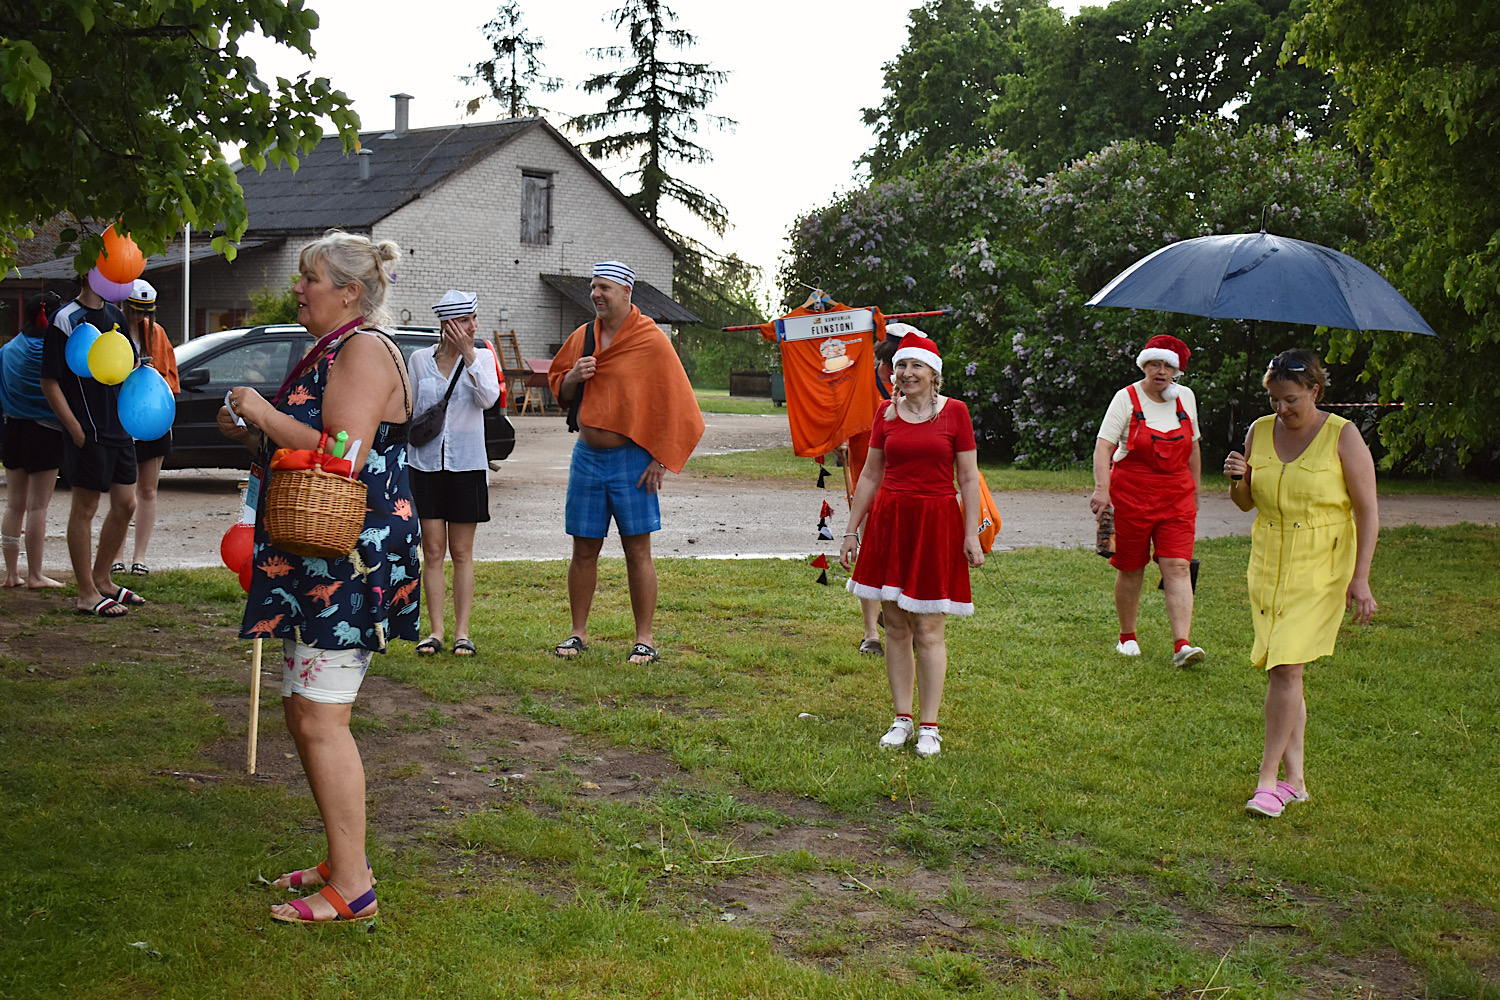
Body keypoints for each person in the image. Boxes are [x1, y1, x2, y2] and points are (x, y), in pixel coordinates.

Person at [217, 230, 418, 923]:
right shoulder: (335, 347)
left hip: (349, 560)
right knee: (302, 711)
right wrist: (254, 430)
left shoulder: (363, 350)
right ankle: (341, 857)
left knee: (322, 717)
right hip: (319, 554)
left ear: (350, 292)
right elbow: (311, 440)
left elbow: (342, 456)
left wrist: (264, 411)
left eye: (309, 279)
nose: (298, 289)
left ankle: (353, 887)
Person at [1223, 349, 1378, 818]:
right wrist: (1237, 479)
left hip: (1321, 564)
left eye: (1290, 399)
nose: (1281, 409)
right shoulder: (1258, 431)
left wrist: (1361, 577)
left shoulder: (1342, 436)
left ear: (1315, 390)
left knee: (1287, 666)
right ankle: (1297, 782)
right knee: (1282, 670)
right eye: (1274, 399)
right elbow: (1246, 503)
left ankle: (1267, 781)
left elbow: (1368, 512)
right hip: (1268, 562)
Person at [547, 261, 705, 664]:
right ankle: (578, 633)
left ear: (626, 292)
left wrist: (660, 458)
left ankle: (644, 639)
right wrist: (573, 377)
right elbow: (558, 388)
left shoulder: (651, 340)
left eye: (604, 288)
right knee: (584, 548)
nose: (596, 294)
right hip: (586, 456)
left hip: (632, 459)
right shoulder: (583, 336)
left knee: (637, 551)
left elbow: (677, 402)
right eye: (593, 287)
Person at [839, 330, 985, 758]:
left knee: (929, 628)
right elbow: (870, 475)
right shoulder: (885, 413)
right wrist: (850, 530)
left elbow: (968, 478)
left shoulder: (955, 413)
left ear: (933, 373)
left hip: (935, 524)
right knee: (897, 626)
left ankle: (929, 726)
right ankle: (901, 719)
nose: (906, 373)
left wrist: (971, 533)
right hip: (890, 524)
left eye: (916, 365)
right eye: (901, 365)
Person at [1088, 334, 1205, 667]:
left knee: (1178, 565)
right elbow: (1103, 447)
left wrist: (1196, 489)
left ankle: (1182, 645)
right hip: (1131, 497)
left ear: (1177, 371)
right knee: (1131, 567)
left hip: (1177, 497)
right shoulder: (1126, 398)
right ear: (1144, 365)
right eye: (1154, 364)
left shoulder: (1186, 397)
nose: (1161, 371)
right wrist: (1102, 489)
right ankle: (1127, 637)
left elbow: (1193, 447)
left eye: (1168, 366)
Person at [40, 275, 141, 616]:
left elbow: (126, 364)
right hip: (87, 429)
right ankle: (86, 593)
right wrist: (74, 427)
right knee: (85, 508)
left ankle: (102, 578)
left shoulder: (116, 314)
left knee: (126, 504)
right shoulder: (65, 318)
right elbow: (49, 381)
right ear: (88, 273)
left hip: (119, 426)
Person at [407, 290, 500, 657]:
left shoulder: (484, 357)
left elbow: (488, 399)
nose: (472, 326)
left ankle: (462, 633)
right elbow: (410, 410)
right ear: (447, 325)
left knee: (461, 551)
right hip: (426, 464)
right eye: (465, 320)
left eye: (474, 318)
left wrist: (469, 356)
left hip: (467, 465)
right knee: (432, 550)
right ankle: (436, 631)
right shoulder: (419, 360)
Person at [111, 279, 180, 575]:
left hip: (152, 419)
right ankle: (116, 555)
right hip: (121, 420)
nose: (139, 316)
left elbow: (170, 377)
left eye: (145, 312)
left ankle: (139, 557)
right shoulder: (112, 331)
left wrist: (151, 375)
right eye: (135, 310)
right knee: (121, 493)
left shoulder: (156, 333)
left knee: (148, 490)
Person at [1, 291, 66, 589]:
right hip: (46, 432)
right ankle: (36, 575)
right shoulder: (54, 352)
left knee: (14, 504)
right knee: (37, 507)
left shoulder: (7, 350)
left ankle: (10, 573)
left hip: (13, 429)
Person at [844, 331, 902, 655]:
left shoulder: (914, 389)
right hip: (865, 480)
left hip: (901, 486)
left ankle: (895, 614)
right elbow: (838, 418)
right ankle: (871, 633)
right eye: (897, 365)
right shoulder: (860, 383)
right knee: (869, 554)